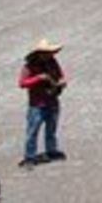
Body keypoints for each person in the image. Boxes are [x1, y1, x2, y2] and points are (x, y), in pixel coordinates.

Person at [18, 38, 66, 168]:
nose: (50, 55)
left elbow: (61, 75)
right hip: (37, 104)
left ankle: (51, 151)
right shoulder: (29, 66)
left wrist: (62, 81)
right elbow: (22, 83)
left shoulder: (52, 62)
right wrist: (38, 78)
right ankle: (29, 157)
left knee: (51, 129)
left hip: (52, 101)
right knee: (32, 132)